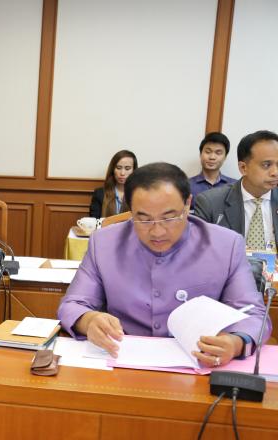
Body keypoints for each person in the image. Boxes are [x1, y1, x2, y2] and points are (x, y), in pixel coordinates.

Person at [58, 162, 268, 367]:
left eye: (169, 218)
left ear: (188, 203)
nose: (157, 231)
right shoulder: (104, 243)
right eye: (144, 219)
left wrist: (235, 343)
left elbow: (254, 314)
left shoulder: (226, 245)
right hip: (122, 361)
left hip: (199, 362)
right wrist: (89, 320)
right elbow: (73, 304)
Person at [195, 130, 278, 250]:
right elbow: (199, 250)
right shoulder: (210, 202)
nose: (275, 172)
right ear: (243, 168)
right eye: (266, 165)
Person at [188, 131, 235, 208]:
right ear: (200, 154)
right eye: (208, 152)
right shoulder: (187, 185)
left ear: (225, 157)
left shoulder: (235, 186)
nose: (212, 157)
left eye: (218, 153)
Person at [89, 150, 137, 218]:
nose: (122, 173)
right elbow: (94, 221)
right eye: (118, 168)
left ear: (134, 170)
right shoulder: (99, 193)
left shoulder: (139, 194)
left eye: (127, 168)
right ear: (113, 170)